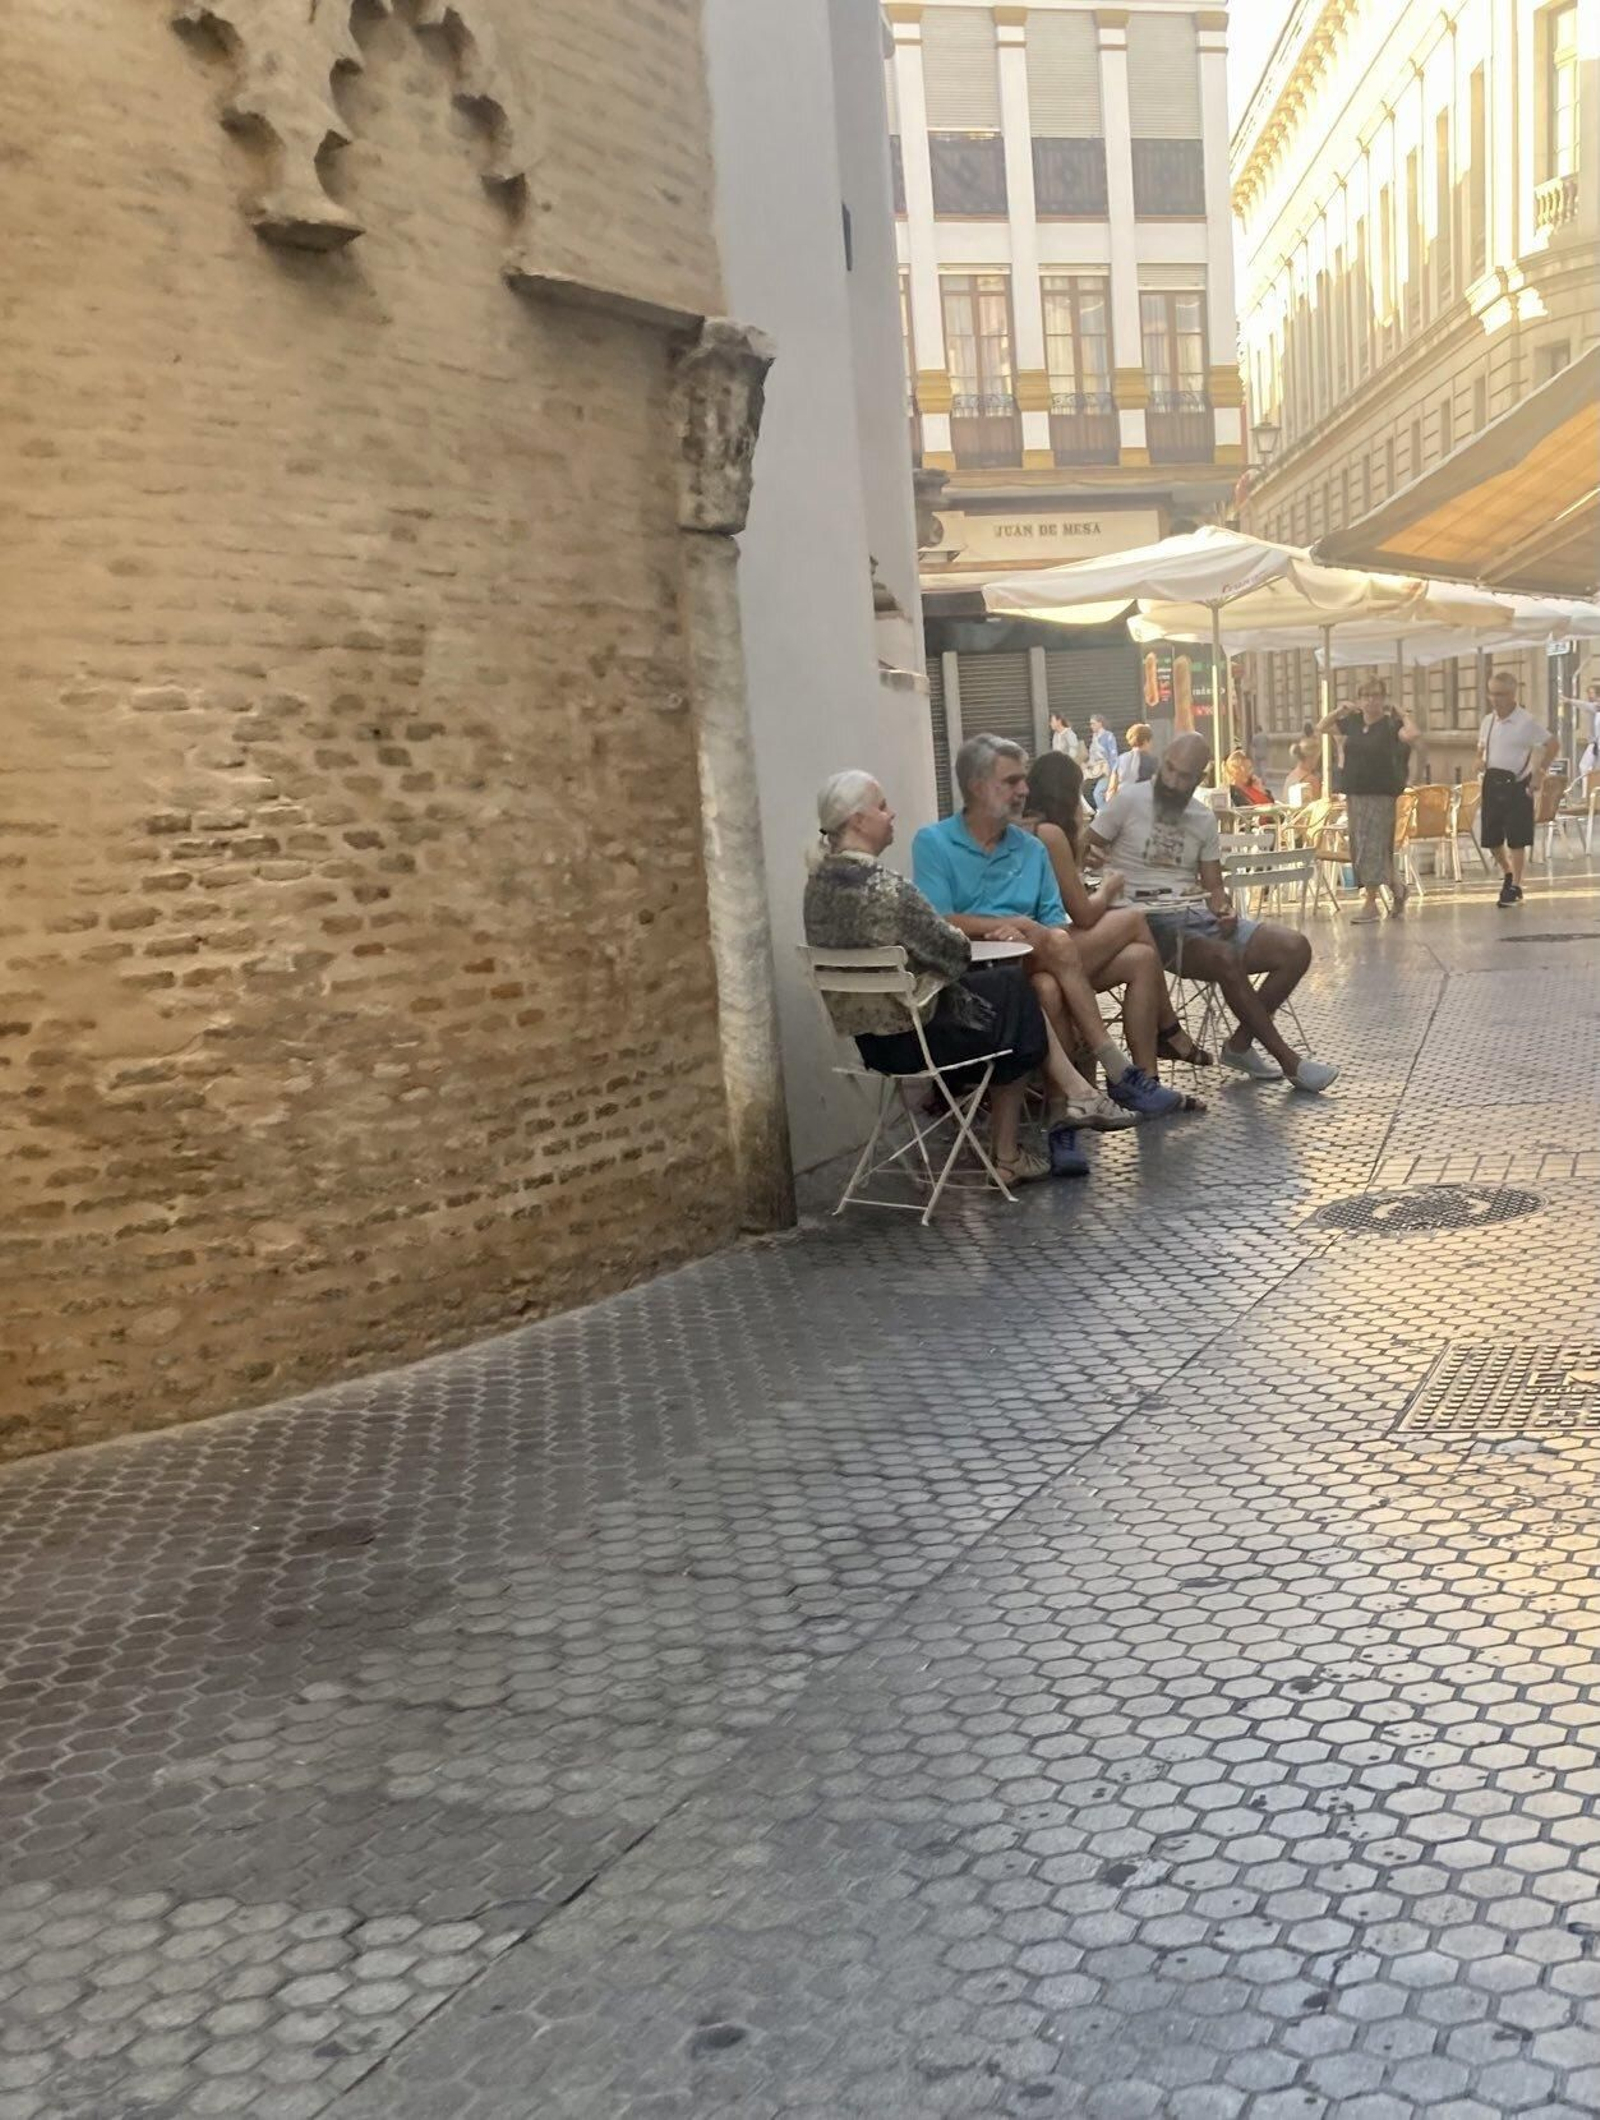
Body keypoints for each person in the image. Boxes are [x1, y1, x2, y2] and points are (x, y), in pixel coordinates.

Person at [804, 771, 1106, 1185]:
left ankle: (1065, 1100)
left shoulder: (816, 886)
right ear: (858, 821)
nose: (892, 814)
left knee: (1010, 996)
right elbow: (954, 950)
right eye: (881, 806)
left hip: (868, 1043)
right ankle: (1033, 1130)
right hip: (916, 1041)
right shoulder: (887, 889)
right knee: (1014, 995)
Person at [912, 735, 1190, 1169]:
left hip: (1033, 965)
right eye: (1012, 781)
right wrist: (1002, 929)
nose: (1025, 790)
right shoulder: (933, 843)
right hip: (974, 981)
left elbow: (1056, 921)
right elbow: (938, 920)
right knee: (1076, 957)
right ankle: (1112, 1074)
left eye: (1025, 781)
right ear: (978, 786)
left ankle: (1075, 1115)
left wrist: (1028, 932)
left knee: (1092, 969)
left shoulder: (1031, 848)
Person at [1088, 733, 1340, 1093]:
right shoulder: (1128, 800)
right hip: (1141, 920)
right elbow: (1083, 845)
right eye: (1169, 770)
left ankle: (1239, 1045)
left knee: (1295, 947)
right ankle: (1291, 1063)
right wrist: (1092, 856)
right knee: (1225, 957)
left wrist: (1223, 909)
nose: (1173, 781)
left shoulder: (1202, 818)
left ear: (1199, 778)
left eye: (1184, 776)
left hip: (1193, 914)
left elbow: (1213, 886)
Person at [1022, 751, 1213, 1073]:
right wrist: (1109, 888)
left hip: (1050, 943)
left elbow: (1055, 890)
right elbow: (1082, 913)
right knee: (1135, 918)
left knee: (1142, 957)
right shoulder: (1048, 833)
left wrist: (1080, 861)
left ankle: (1147, 1078)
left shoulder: (1034, 829)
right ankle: (1168, 1029)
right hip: (1047, 948)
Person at [1313, 679, 1418, 923]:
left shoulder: (1391, 725)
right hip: (1355, 793)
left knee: (1374, 846)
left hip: (1380, 794)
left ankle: (1370, 904)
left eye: (1376, 695)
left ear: (1383, 698)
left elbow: (1412, 734)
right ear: (1360, 699)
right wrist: (1341, 710)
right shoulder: (1353, 723)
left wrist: (1403, 712)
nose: (1371, 700)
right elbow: (1322, 726)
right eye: (1366, 696)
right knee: (1363, 847)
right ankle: (1398, 889)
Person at [1478, 670, 1558, 906]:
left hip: (1516, 783)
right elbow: (1481, 747)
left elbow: (1552, 744)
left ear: (1513, 694)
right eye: (1491, 694)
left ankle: (1516, 885)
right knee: (1491, 838)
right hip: (1492, 782)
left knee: (1517, 837)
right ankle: (1508, 871)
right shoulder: (1488, 721)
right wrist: (1478, 759)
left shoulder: (1526, 722)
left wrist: (1539, 773)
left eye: (1500, 694)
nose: (1495, 699)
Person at [1108, 722, 1156, 800]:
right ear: (1146, 741)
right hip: (1142, 803)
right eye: (1150, 741)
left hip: (1122, 802)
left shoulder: (1120, 759)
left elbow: (1112, 788)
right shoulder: (1152, 760)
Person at [1083, 715, 1118, 811]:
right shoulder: (1095, 737)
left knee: (1098, 793)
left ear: (1100, 723)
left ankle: (1104, 815)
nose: (1091, 726)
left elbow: (1113, 755)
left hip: (1107, 770)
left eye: (1093, 723)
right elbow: (1092, 756)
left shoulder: (1108, 736)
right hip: (1097, 769)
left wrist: (1113, 772)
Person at [1282, 739, 1323, 808]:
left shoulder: (1290, 776)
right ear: (1311, 758)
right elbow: (1318, 809)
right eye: (1317, 758)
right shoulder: (1311, 780)